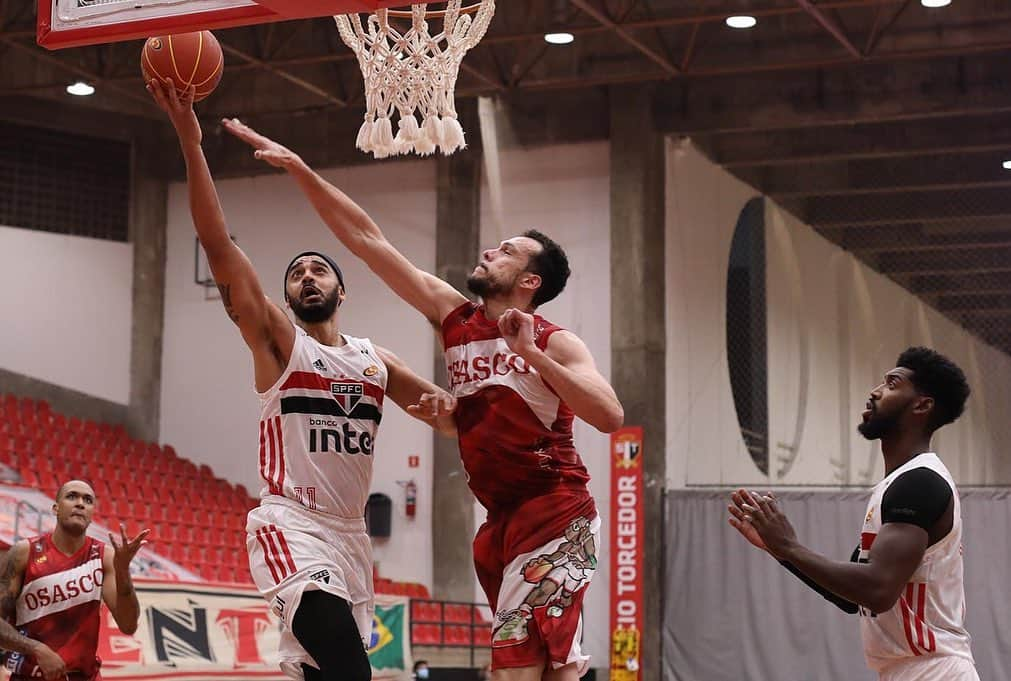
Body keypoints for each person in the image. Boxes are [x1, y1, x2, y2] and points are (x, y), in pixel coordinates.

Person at [222, 119, 625, 681]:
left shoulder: (557, 341)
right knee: (553, 669)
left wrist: (530, 353)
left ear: (530, 282)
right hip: (500, 521)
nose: (490, 250)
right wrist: (301, 170)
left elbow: (609, 415)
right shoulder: (453, 316)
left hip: (555, 510)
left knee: (514, 670)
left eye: (506, 252)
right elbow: (367, 240)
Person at [148, 79, 457, 681]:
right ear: (286, 297)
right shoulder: (277, 342)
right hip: (291, 523)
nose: (307, 278)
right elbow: (217, 245)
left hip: (351, 537)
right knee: (351, 671)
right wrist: (191, 136)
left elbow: (448, 419)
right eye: (296, 274)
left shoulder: (377, 361)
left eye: (319, 270)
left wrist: (473, 394)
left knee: (317, 674)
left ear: (343, 289)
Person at [728, 347, 978, 681]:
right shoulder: (898, 485)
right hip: (909, 671)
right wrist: (780, 550)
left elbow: (878, 590)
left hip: (935, 671)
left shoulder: (920, 482)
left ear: (922, 405)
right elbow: (852, 598)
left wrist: (788, 547)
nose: (875, 391)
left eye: (892, 384)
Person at [0, 480, 147, 681]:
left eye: (87, 500)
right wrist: (36, 649)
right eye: (72, 496)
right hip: (30, 676)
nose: (80, 503)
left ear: (91, 514)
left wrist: (123, 572)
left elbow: (129, 625)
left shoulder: (105, 557)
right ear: (56, 508)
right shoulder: (23, 553)